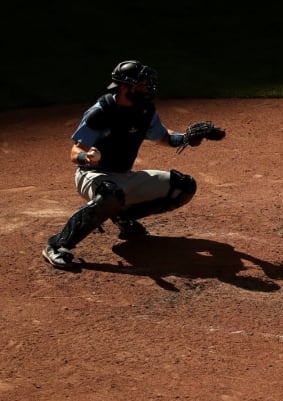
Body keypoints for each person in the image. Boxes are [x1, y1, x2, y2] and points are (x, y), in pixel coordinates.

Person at [42, 60, 212, 269]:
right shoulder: (101, 112)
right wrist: (86, 158)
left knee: (184, 186)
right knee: (110, 196)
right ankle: (57, 245)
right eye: (141, 84)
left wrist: (186, 138)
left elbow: (164, 138)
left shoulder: (145, 110)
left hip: (124, 177)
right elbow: (75, 151)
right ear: (124, 87)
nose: (147, 88)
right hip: (92, 175)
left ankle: (122, 216)